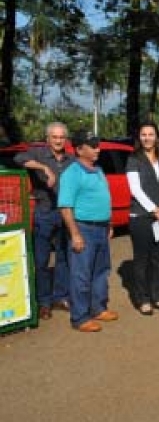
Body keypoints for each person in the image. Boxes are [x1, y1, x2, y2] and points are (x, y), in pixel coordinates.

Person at [58, 130, 119, 332]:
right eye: (92, 146)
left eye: (97, 145)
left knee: (101, 271)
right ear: (79, 149)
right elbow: (65, 206)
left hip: (101, 228)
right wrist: (75, 234)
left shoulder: (98, 170)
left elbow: (103, 199)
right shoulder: (72, 173)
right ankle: (80, 317)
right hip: (83, 228)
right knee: (81, 274)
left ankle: (98, 308)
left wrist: (108, 223)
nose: (97, 149)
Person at [14, 122, 74, 320]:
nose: (58, 141)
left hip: (65, 214)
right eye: (54, 137)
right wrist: (44, 168)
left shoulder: (71, 160)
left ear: (65, 139)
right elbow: (18, 158)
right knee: (41, 261)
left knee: (64, 258)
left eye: (61, 137)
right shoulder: (38, 154)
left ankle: (61, 296)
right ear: (48, 139)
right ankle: (44, 302)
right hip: (45, 213)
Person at [126, 122, 159, 316]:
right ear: (139, 137)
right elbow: (135, 189)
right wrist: (154, 209)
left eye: (151, 134)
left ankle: (157, 296)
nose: (147, 138)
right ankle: (143, 298)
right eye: (144, 134)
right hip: (141, 216)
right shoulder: (134, 159)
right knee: (142, 260)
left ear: (157, 136)